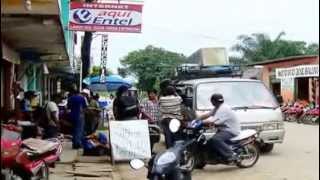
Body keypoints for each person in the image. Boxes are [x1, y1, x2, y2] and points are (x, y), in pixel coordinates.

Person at [191, 93, 240, 162]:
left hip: (230, 130)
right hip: (223, 129)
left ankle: (231, 154)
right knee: (207, 139)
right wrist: (196, 119)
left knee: (215, 139)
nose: (211, 103)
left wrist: (201, 123)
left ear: (213, 101)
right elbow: (208, 114)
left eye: (212, 101)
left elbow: (212, 121)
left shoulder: (223, 109)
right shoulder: (218, 107)